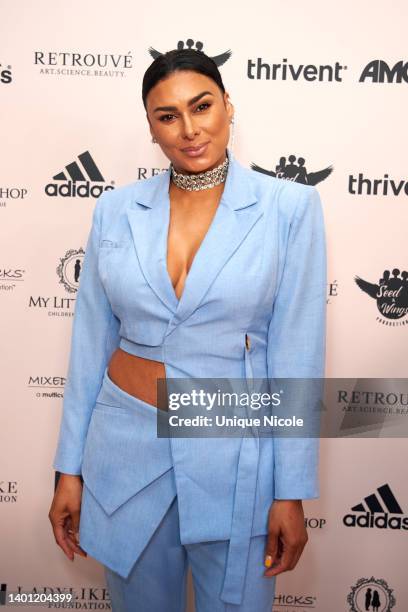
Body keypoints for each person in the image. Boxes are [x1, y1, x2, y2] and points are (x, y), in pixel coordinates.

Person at [48, 48, 327, 612]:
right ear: (150, 127)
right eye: (167, 116)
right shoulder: (116, 210)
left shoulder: (288, 208)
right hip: (124, 457)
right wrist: (68, 471)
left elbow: (298, 354)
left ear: (228, 106)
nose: (189, 129)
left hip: (236, 460)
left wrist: (291, 491)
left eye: (202, 107)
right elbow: (89, 348)